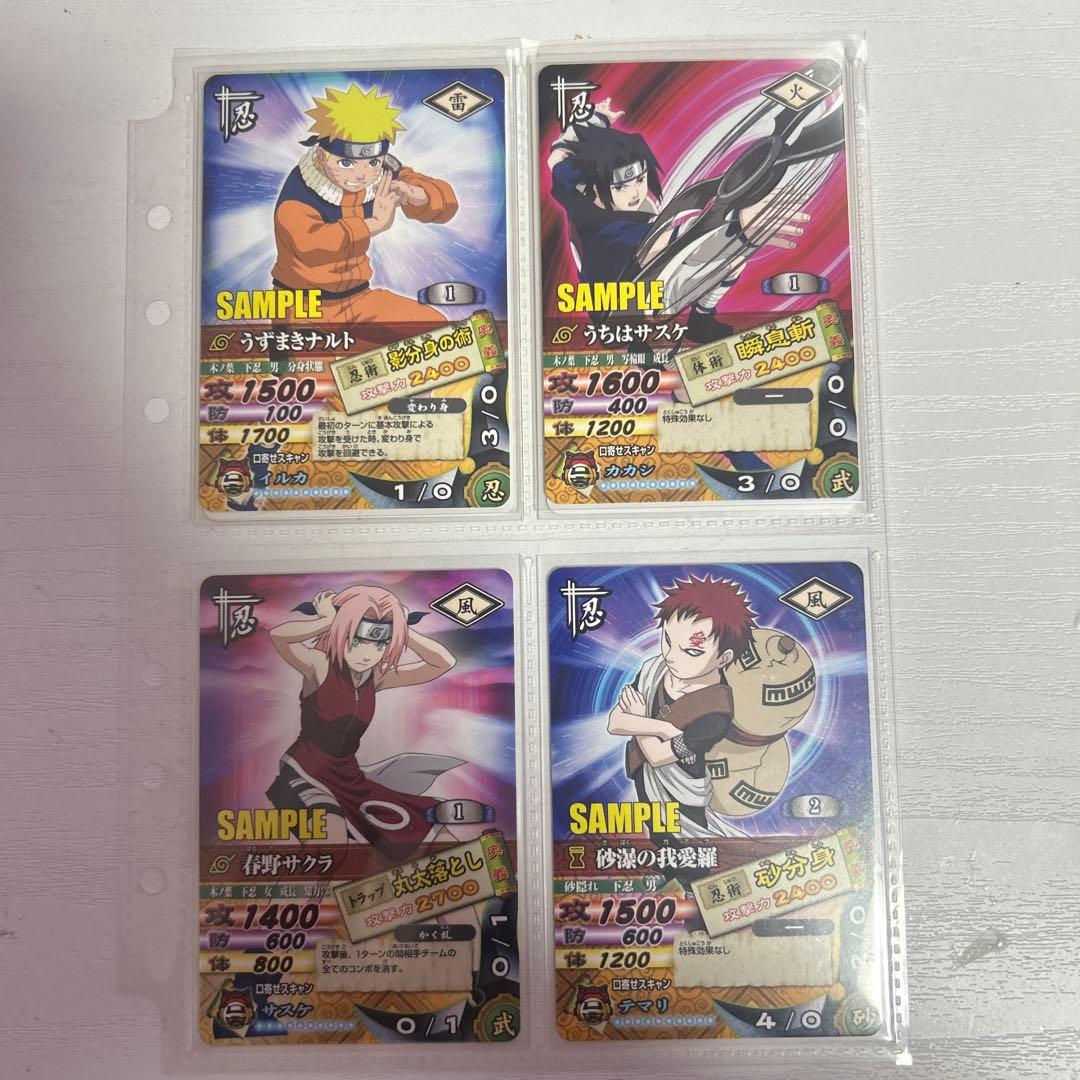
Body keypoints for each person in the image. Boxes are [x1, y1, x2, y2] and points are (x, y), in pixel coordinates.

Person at [266, 583, 459, 858]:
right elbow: (279, 637)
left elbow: (443, 663)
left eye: (380, 644)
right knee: (330, 842)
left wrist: (403, 629)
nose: (367, 653)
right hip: (304, 769)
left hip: (349, 778)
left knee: (434, 832)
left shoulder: (375, 677)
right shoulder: (320, 666)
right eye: (356, 641)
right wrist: (327, 620)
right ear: (341, 634)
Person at [272, 84, 459, 348]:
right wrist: (371, 225)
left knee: (438, 332)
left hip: (359, 300)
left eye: (373, 162)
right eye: (346, 163)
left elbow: (444, 202)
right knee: (325, 369)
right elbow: (309, 246)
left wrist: (419, 194)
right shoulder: (300, 192)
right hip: (303, 306)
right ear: (321, 157)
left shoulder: (382, 173)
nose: (361, 175)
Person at [607, 574, 756, 839]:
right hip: (647, 788)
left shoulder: (716, 713)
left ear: (723, 658)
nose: (671, 657)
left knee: (688, 851)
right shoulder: (653, 669)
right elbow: (615, 723)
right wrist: (664, 728)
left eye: (692, 651)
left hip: (684, 797)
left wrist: (640, 719)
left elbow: (657, 756)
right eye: (667, 639)